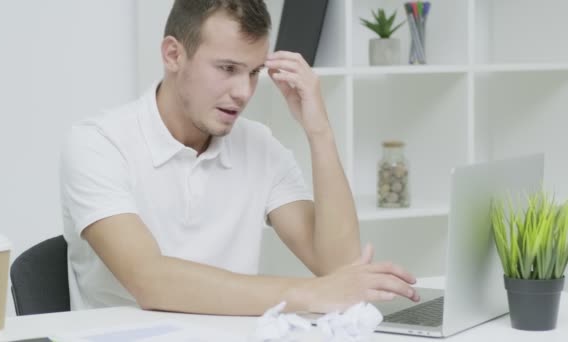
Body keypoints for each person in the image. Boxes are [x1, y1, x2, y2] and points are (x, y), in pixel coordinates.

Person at [60, 0, 420, 315]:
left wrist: (319, 131)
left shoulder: (259, 145)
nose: (244, 92)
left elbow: (339, 268)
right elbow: (150, 281)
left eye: (253, 72)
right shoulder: (98, 143)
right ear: (173, 54)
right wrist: (308, 292)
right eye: (227, 69)